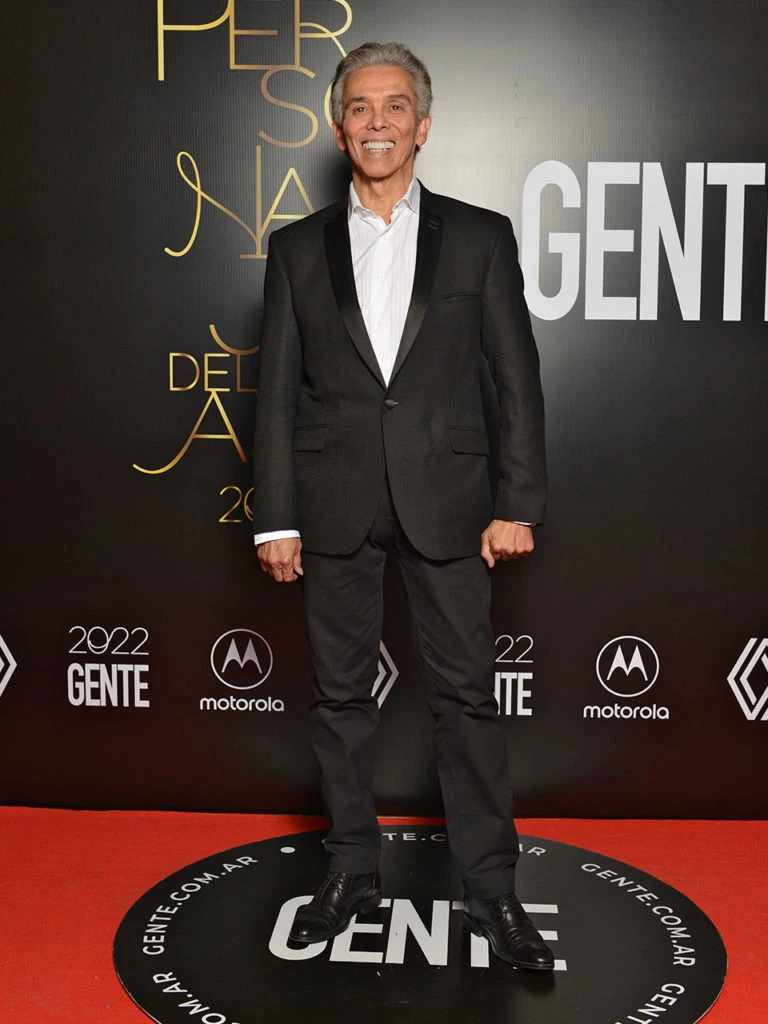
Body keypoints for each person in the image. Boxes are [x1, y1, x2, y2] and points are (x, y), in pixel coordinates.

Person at [252, 41, 552, 971]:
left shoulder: (481, 236)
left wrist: (517, 500)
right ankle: (350, 873)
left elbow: (516, 378)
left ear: (422, 126)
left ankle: (492, 891)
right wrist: (276, 515)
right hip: (332, 502)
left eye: (394, 107)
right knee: (340, 701)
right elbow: (277, 394)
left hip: (451, 501)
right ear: (338, 127)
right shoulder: (296, 248)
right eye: (359, 107)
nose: (376, 122)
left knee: (465, 701)